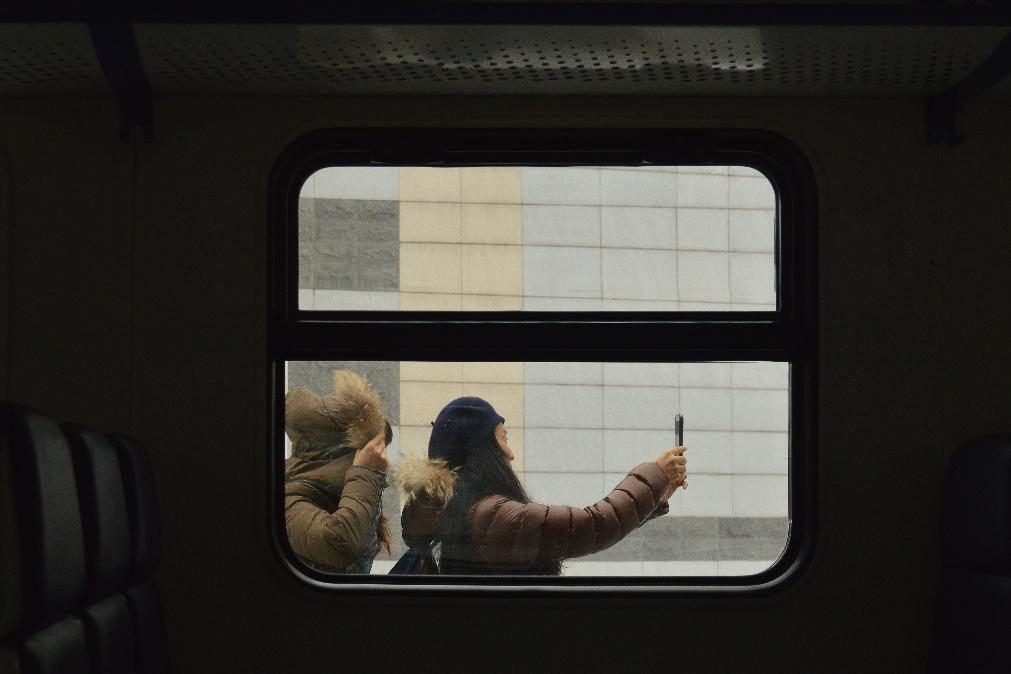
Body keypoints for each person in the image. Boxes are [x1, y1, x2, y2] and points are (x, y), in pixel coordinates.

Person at [395, 396, 687, 575]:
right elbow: (593, 525)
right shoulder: (492, 517)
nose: (511, 453)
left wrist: (656, 495)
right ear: (483, 450)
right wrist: (656, 473)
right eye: (503, 438)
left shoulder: (463, 511)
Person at [284, 370, 392, 574]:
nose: (382, 458)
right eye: (370, 449)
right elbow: (341, 543)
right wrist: (365, 472)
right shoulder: (291, 496)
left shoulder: (341, 491)